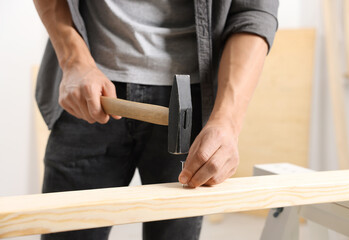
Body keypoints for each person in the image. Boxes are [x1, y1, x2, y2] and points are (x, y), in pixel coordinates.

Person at [34, 0, 279, 239]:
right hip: (90, 93)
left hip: (190, 93)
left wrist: (227, 120)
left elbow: (254, 10)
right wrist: (74, 61)